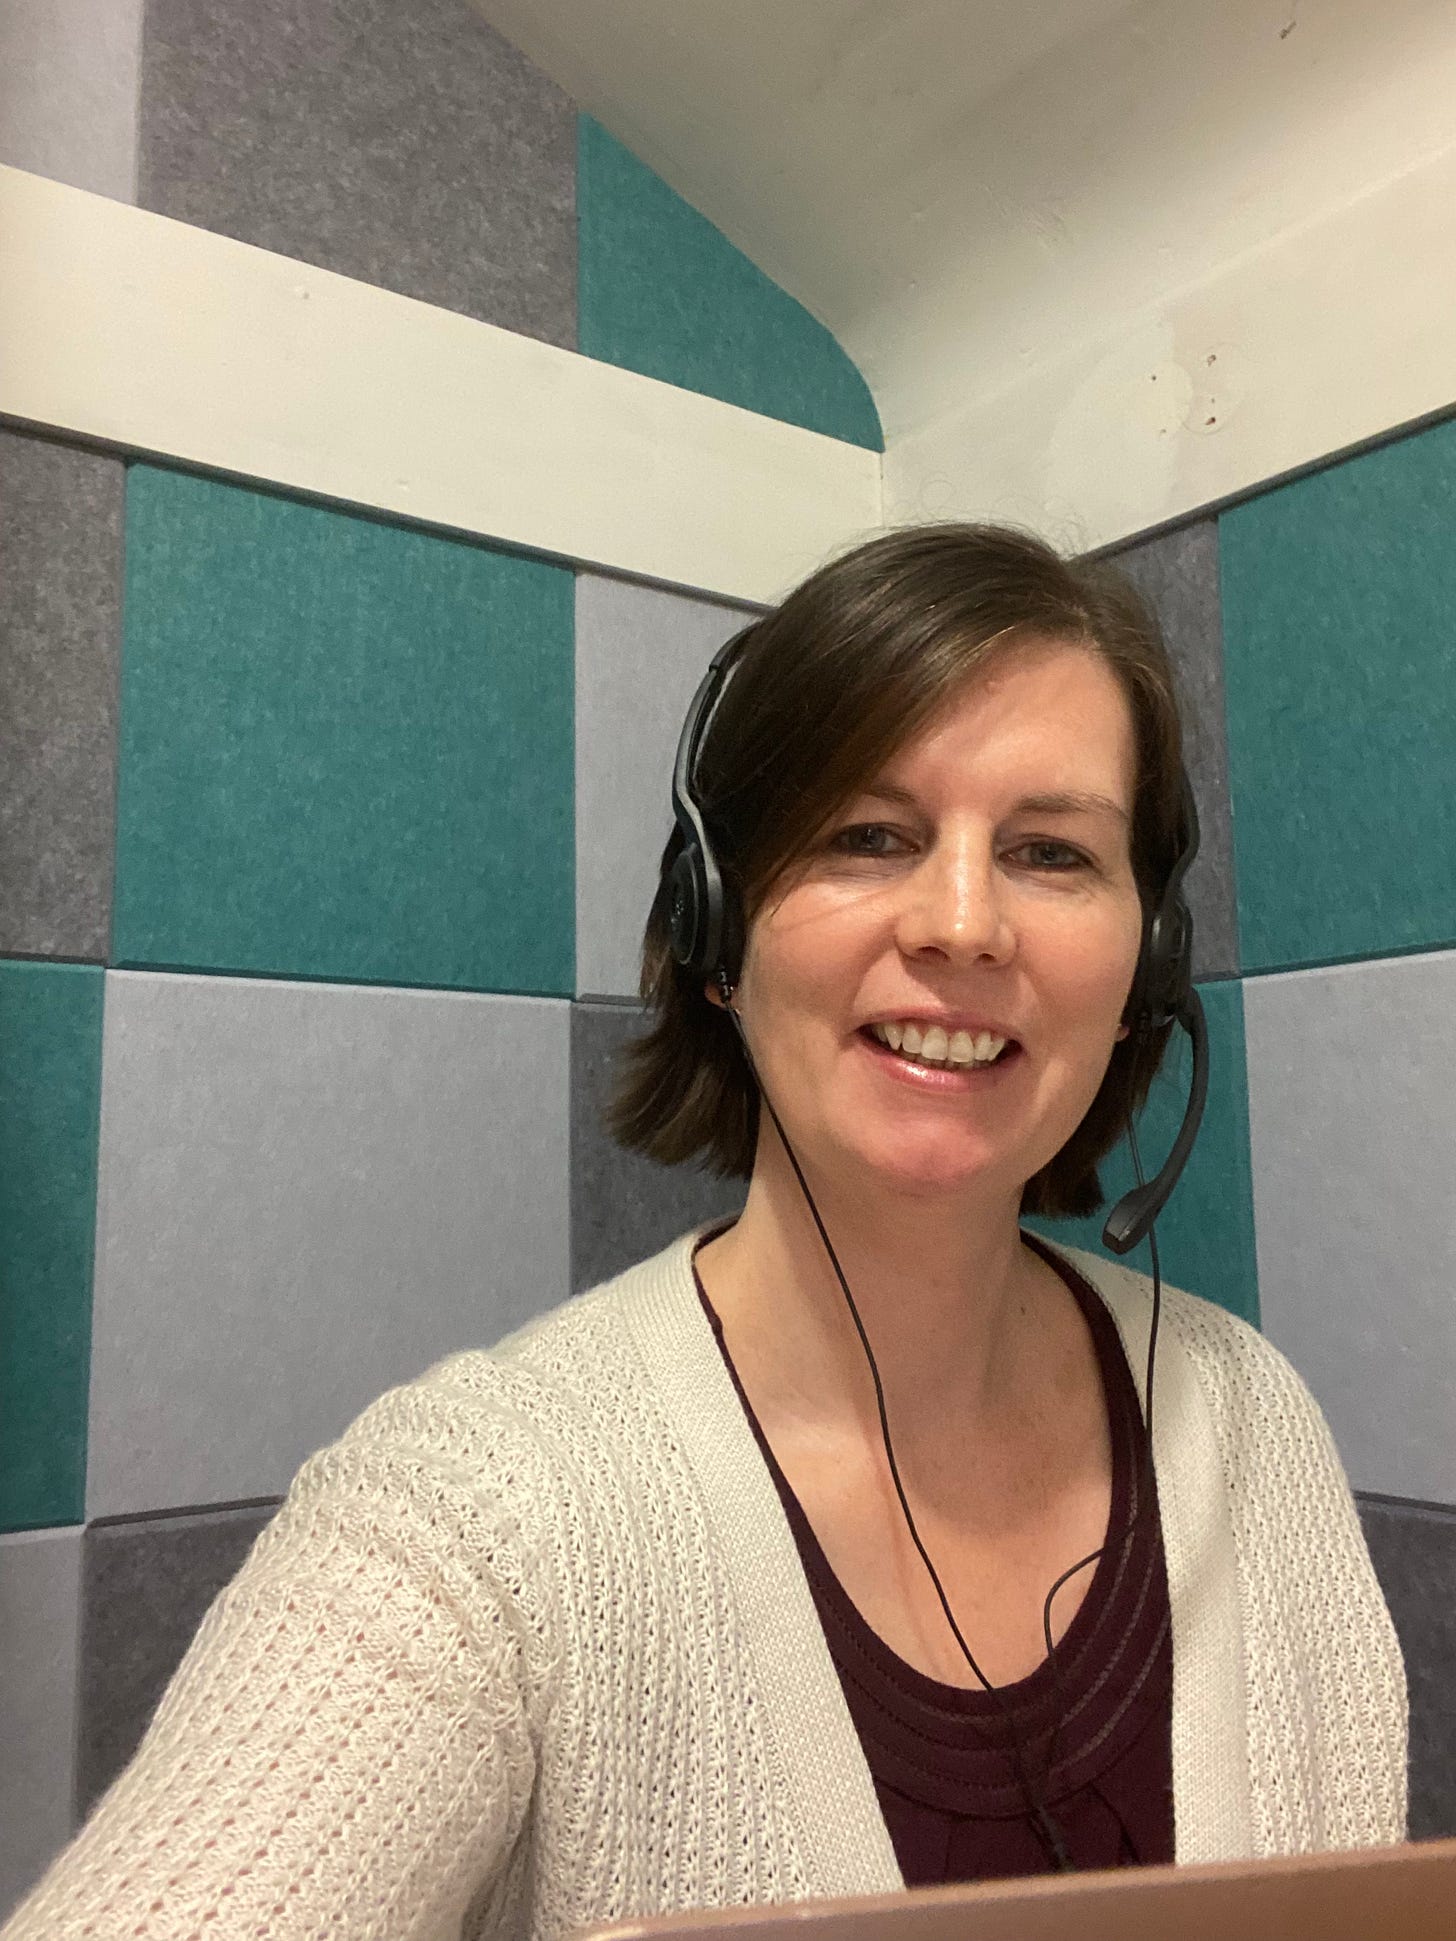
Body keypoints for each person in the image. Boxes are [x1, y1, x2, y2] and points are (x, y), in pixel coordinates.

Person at [4, 525, 1405, 1941]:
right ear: (718, 926)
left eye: (1052, 852)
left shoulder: (1253, 1419)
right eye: (871, 833)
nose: (968, 924)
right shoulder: (477, 1516)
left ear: (1143, 964)